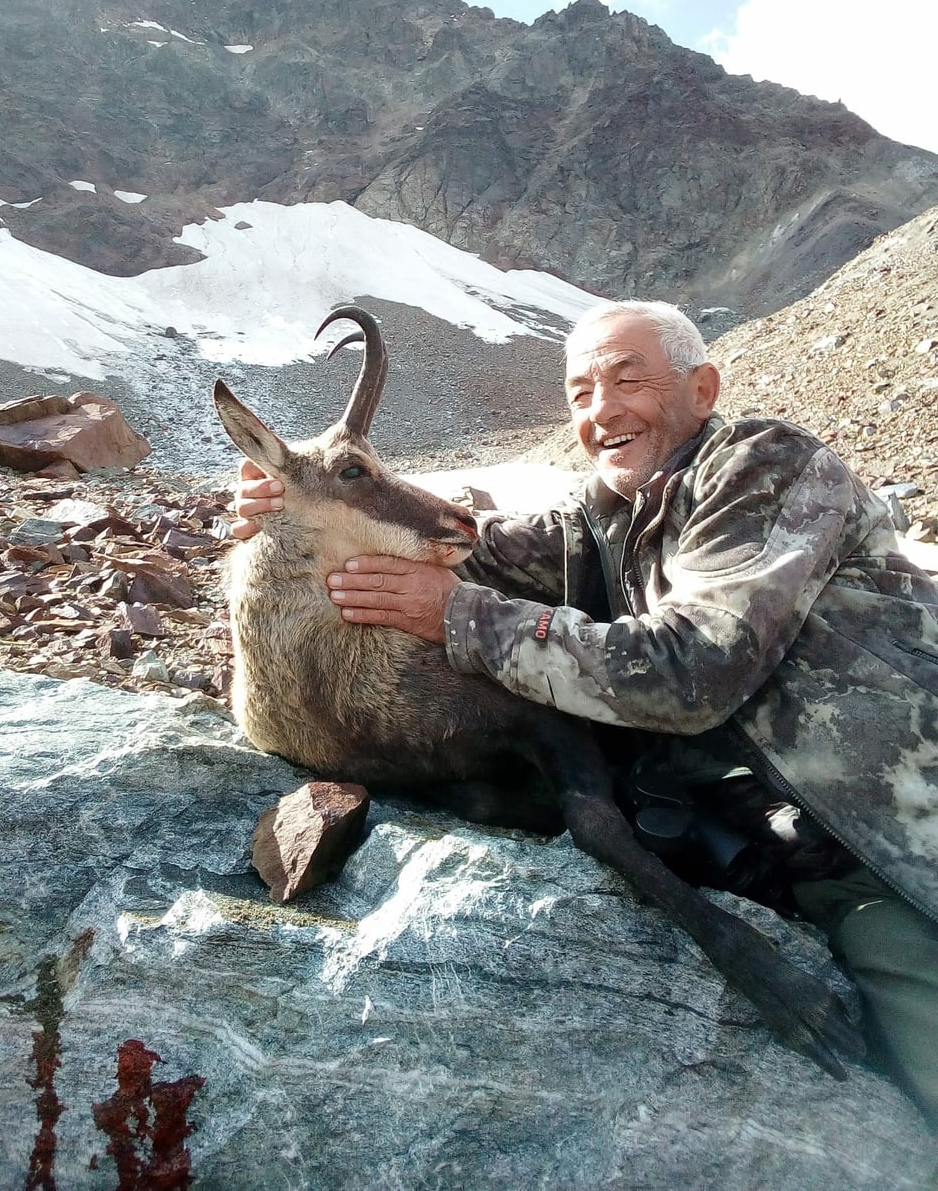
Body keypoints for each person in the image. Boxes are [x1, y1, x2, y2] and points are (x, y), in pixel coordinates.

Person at [233, 299, 938, 1125]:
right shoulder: (604, 518)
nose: (600, 410)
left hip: (901, 835)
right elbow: (472, 537)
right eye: (578, 394)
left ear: (702, 388)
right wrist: (303, 508)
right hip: (800, 860)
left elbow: (693, 670)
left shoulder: (765, 467)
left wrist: (458, 615)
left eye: (625, 381)